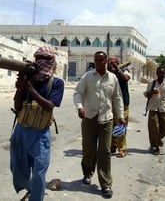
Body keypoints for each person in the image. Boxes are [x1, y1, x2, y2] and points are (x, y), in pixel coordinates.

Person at [10, 46, 64, 201]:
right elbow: (17, 107)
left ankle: (36, 197)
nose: (42, 61)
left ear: (52, 61)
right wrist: (20, 89)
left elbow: (48, 106)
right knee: (18, 170)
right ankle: (31, 189)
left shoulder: (56, 83)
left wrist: (29, 88)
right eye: (38, 57)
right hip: (21, 131)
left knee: (39, 173)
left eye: (46, 58)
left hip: (40, 135)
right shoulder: (28, 79)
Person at [73, 51, 125, 198]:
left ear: (106, 61)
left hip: (106, 119)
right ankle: (88, 173)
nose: (98, 63)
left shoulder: (113, 78)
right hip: (89, 117)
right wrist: (80, 107)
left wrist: (120, 116)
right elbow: (78, 93)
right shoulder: (87, 77)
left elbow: (117, 98)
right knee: (88, 149)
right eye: (96, 61)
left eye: (101, 61)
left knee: (105, 151)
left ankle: (106, 183)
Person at [143, 67, 165, 155]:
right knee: (154, 128)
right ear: (157, 73)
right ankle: (156, 147)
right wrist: (152, 92)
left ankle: (158, 139)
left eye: (163, 73)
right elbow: (146, 95)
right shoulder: (152, 83)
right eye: (160, 73)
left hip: (163, 108)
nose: (161, 75)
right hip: (153, 108)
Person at [107, 56, 130, 158]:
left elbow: (125, 79)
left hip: (123, 103)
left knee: (120, 125)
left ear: (117, 63)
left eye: (113, 63)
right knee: (110, 125)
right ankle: (112, 146)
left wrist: (118, 69)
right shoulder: (108, 74)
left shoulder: (125, 71)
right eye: (109, 63)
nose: (111, 65)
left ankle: (122, 149)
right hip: (111, 103)